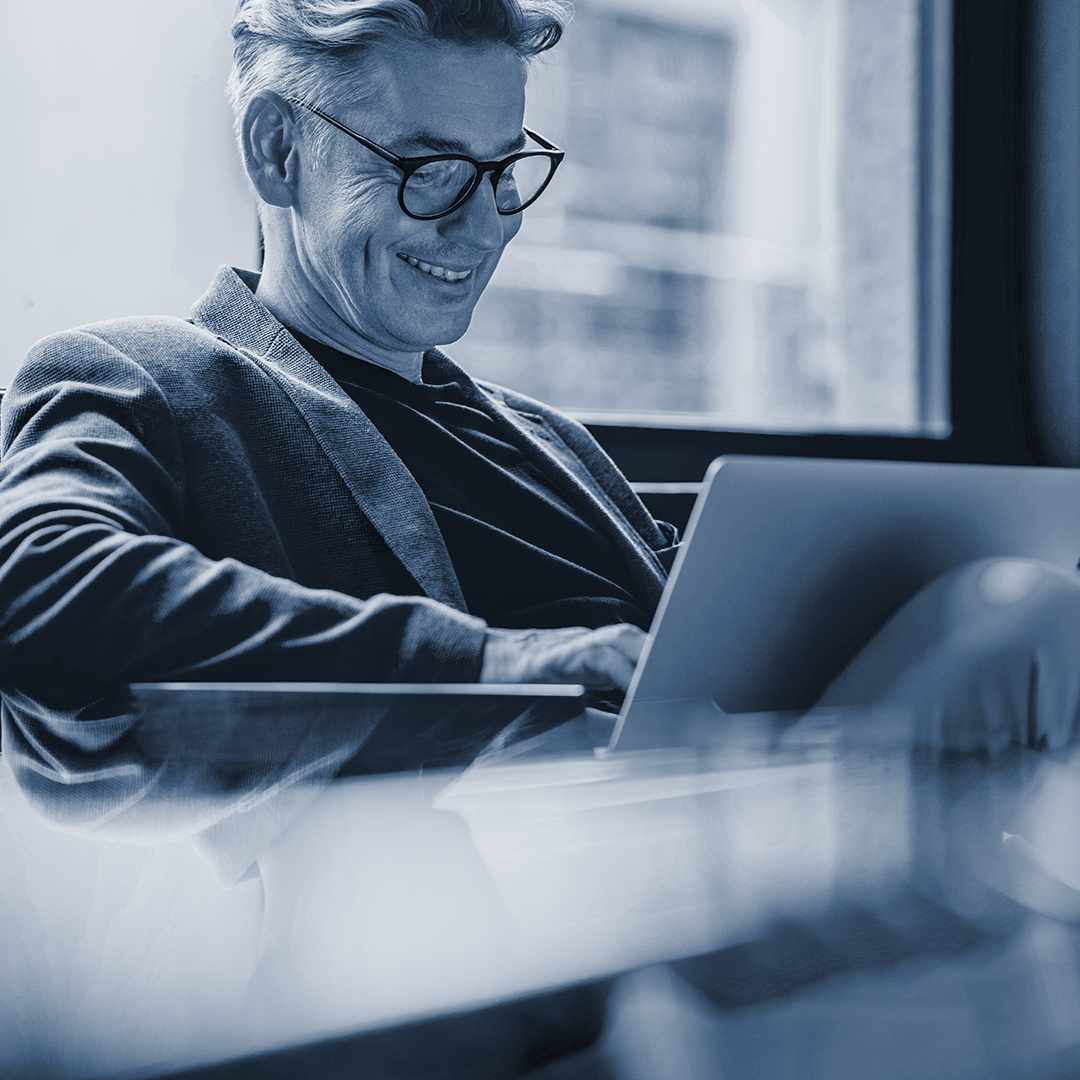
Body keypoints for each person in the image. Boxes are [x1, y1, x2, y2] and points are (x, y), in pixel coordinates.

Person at [0, 0, 677, 874]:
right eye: (430, 168)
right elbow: (46, 597)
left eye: (504, 167)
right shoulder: (138, 378)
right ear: (278, 151)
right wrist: (493, 668)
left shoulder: (557, 443)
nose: (486, 225)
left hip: (729, 861)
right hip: (476, 924)